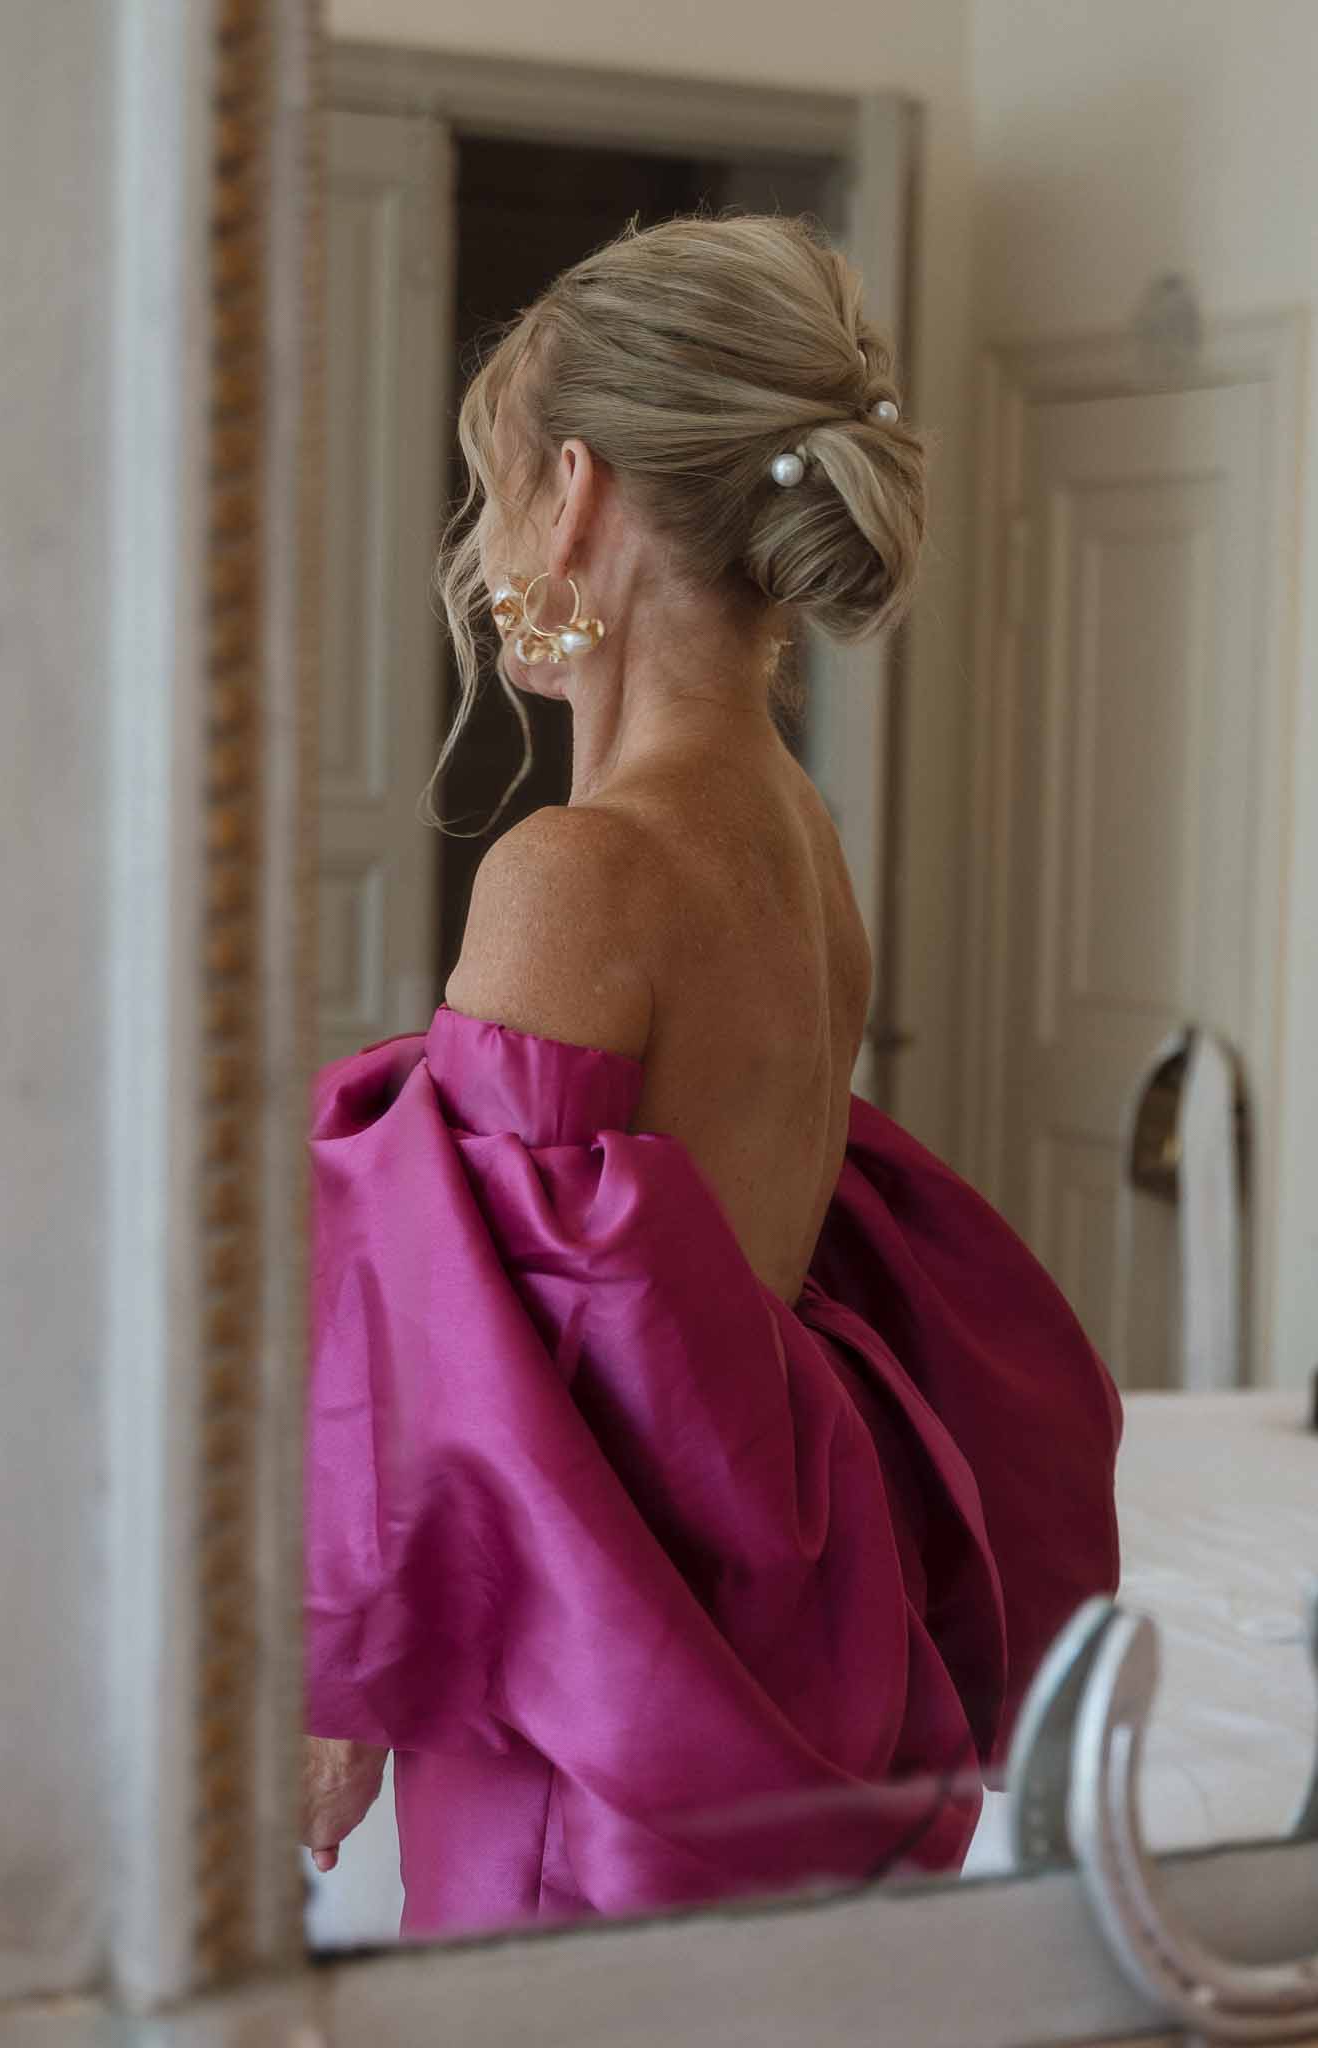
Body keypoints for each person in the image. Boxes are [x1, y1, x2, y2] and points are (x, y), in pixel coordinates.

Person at [301, 213, 1121, 1938]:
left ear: (580, 496)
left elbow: (458, 1358)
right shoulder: (798, 838)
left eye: (499, 488)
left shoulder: (577, 870)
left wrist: (338, 1679)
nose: (492, 538)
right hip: (794, 1615)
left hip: (603, 1668)